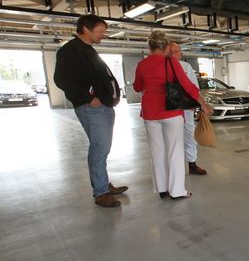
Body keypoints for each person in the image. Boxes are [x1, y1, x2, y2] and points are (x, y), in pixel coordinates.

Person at [54, 14, 128, 208]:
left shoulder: (87, 50)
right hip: (91, 107)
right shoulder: (70, 50)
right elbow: (61, 80)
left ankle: (103, 183)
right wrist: (89, 98)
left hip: (103, 106)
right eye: (100, 31)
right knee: (99, 148)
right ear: (86, 28)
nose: (103, 35)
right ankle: (101, 191)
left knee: (102, 148)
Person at [133, 31, 212, 199]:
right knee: (174, 152)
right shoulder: (171, 63)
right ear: (167, 46)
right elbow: (188, 86)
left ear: (149, 47)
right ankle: (177, 191)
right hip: (171, 112)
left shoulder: (142, 65)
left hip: (150, 113)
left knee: (157, 152)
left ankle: (162, 189)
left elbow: (137, 87)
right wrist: (203, 104)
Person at [166, 42, 207, 175]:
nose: (173, 54)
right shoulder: (163, 66)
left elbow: (193, 87)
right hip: (168, 109)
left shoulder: (186, 67)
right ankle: (173, 168)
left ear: (180, 53)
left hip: (185, 108)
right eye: (170, 51)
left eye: (176, 51)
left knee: (189, 135)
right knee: (171, 139)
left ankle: (192, 164)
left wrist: (197, 104)